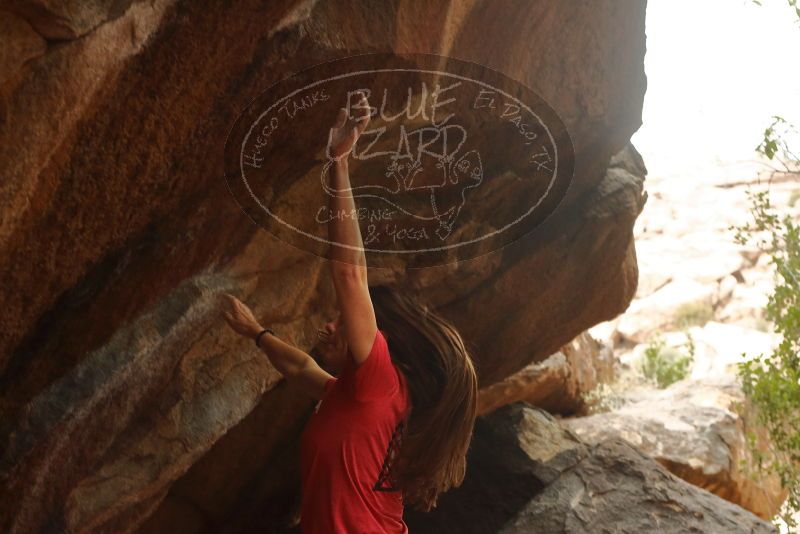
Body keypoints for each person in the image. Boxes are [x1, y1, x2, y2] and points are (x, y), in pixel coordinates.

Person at [221, 91, 479, 533]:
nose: (331, 324)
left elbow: (349, 274)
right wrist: (256, 333)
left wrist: (337, 163)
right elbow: (302, 368)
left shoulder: (378, 380)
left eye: (343, 321)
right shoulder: (356, 397)